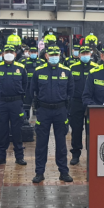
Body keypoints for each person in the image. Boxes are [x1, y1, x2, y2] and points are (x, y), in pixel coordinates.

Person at [30, 45, 74, 183]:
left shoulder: (67, 72)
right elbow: (33, 90)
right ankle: (39, 172)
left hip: (60, 111)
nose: (54, 57)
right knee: (41, 143)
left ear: (60, 55)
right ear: (46, 56)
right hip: (44, 111)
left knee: (61, 144)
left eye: (57, 54)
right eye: (51, 54)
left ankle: (63, 172)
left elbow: (71, 93)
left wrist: (67, 111)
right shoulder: (38, 71)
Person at [0, 45, 27, 167]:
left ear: (15, 54)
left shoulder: (21, 68)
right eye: (7, 51)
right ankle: (0, 157)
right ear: (2, 53)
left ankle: (19, 157)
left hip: (16, 103)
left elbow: (25, 85)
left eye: (11, 52)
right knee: (2, 131)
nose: (9, 54)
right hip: (1, 103)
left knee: (17, 130)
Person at [69, 46, 98, 165]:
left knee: (91, 129)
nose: (85, 55)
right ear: (79, 55)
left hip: (92, 103)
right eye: (83, 53)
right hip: (76, 102)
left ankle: (91, 153)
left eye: (87, 52)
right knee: (76, 129)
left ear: (90, 54)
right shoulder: (72, 68)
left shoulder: (96, 68)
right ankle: (75, 154)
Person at [21, 47, 45, 121]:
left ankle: (40, 119)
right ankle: (26, 120)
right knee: (26, 104)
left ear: (37, 53)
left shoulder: (42, 62)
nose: (33, 53)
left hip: (39, 85)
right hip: (28, 85)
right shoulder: (24, 62)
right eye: (32, 52)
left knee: (39, 103)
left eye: (35, 52)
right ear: (29, 53)